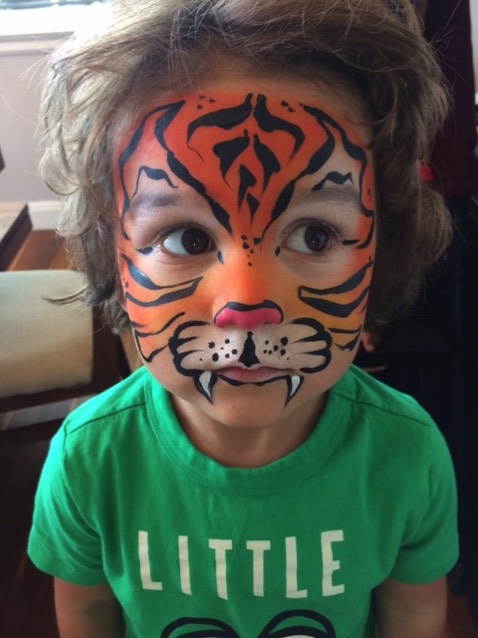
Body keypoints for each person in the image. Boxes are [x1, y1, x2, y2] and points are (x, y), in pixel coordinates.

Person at [27, 1, 459, 636]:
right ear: (111, 256)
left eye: (314, 235)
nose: (248, 305)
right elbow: (86, 609)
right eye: (187, 239)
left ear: (381, 254)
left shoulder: (407, 454)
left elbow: (415, 610)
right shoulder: (89, 458)